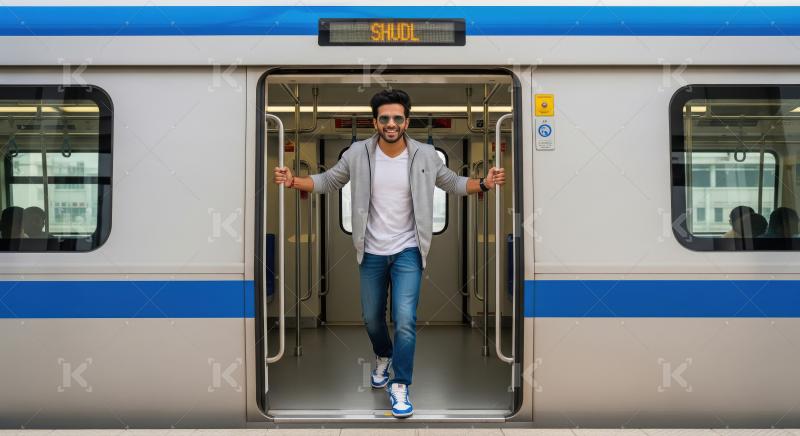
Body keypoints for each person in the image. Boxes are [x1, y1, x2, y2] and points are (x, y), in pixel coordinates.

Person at [273, 89, 505, 418]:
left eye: (397, 118)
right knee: (371, 318)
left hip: (408, 250)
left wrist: (484, 183)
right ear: (375, 122)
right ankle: (383, 355)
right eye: (385, 118)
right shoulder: (357, 153)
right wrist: (293, 180)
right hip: (370, 251)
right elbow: (328, 181)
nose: (391, 123)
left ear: (406, 121)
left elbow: (452, 182)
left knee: (406, 320)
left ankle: (400, 384)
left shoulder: (425, 155)